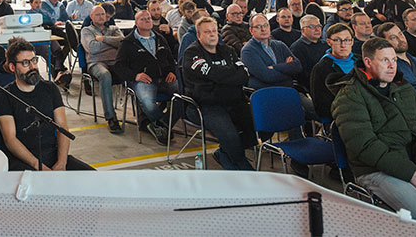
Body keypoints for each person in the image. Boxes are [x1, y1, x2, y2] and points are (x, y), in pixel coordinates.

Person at [331, 37, 416, 220]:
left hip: (410, 157)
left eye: (394, 60)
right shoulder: (349, 96)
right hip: (374, 169)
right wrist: (411, 173)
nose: (391, 66)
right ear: (368, 62)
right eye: (385, 60)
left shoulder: (403, 88)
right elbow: (365, 147)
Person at [0, 37, 93, 171]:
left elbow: (62, 127)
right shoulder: (4, 96)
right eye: (25, 63)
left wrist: (62, 162)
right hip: (23, 161)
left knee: (92, 176)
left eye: (34, 61)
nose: (32, 67)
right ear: (12, 67)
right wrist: (37, 165)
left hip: (53, 156)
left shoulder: (50, 89)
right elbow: (10, 140)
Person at [182, 17, 255, 170]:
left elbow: (244, 74)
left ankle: (223, 153)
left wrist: (219, 77)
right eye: (207, 32)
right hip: (207, 105)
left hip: (234, 101)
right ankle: (240, 165)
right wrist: (229, 74)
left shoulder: (227, 50)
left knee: (259, 129)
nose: (212, 34)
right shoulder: (192, 53)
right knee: (230, 136)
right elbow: (212, 73)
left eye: (214, 31)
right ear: (199, 36)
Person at [114, 10, 177, 143]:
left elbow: (171, 59)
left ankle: (159, 124)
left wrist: (172, 71)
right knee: (148, 102)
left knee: (184, 95)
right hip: (144, 80)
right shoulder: (128, 42)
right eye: (143, 19)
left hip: (165, 77)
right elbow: (119, 66)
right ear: (136, 23)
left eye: (148, 18)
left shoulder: (160, 38)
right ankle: (161, 126)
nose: (147, 20)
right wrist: (135, 75)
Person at [81, 5, 125, 134]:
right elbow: (92, 48)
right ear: (91, 17)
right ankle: (111, 117)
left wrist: (103, 39)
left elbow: (123, 43)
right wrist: (112, 44)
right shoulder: (86, 31)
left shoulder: (113, 28)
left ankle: (144, 116)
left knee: (134, 72)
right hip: (96, 63)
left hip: (116, 62)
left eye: (103, 14)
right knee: (105, 75)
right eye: (97, 14)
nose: (101, 17)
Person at [240, 14, 302, 91]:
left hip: (288, 89)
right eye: (258, 26)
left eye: (266, 25)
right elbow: (267, 76)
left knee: (309, 103)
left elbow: (297, 66)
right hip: (266, 93)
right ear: (251, 30)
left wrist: (275, 67)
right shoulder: (248, 51)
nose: (263, 29)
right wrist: (288, 70)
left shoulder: (280, 45)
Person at [310, 23, 355, 120]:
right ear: (329, 42)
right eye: (337, 40)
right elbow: (321, 104)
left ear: (352, 42)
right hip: (338, 117)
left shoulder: (360, 62)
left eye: (347, 40)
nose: (343, 45)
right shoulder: (321, 68)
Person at [376, 23, 416, 93]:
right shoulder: (390, 68)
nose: (400, 39)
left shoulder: (415, 60)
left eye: (400, 34)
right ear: (385, 42)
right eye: (393, 37)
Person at [289, 15, 328, 89]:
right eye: (312, 27)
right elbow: (302, 76)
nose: (317, 29)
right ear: (303, 30)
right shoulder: (297, 48)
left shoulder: (325, 45)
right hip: (312, 86)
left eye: (319, 26)